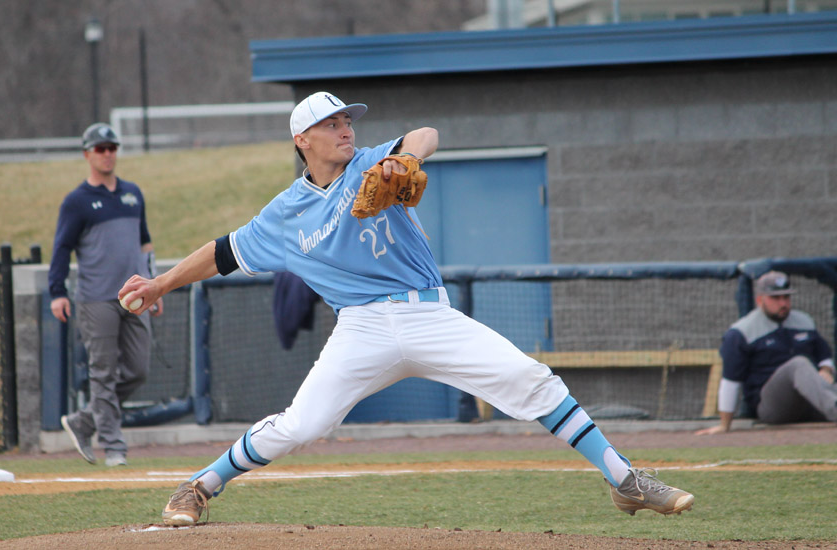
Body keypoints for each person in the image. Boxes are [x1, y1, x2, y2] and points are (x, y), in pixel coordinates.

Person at [118, 91, 694, 525]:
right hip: (361, 329)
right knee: (303, 424)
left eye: (347, 120)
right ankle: (198, 486)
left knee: (530, 380)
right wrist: (160, 284)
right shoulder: (285, 212)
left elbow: (425, 132)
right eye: (331, 123)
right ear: (303, 141)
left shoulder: (374, 161)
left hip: (426, 314)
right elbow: (223, 253)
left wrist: (404, 161)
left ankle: (625, 479)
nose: (345, 129)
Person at [50, 122, 164, 467]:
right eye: (100, 149)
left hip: (133, 296)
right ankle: (114, 447)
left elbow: (145, 243)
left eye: (112, 147)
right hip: (96, 297)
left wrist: (155, 284)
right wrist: (57, 292)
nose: (107, 154)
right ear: (87, 154)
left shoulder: (133, 194)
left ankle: (84, 421)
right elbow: (61, 249)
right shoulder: (77, 201)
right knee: (103, 372)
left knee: (138, 369)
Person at [696, 271, 836, 435]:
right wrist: (724, 425)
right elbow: (730, 381)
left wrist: (826, 370)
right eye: (775, 298)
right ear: (760, 299)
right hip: (772, 407)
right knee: (799, 364)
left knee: (808, 370)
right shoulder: (741, 332)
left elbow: (824, 354)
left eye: (786, 297)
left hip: (811, 401)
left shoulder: (804, 321)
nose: (782, 303)